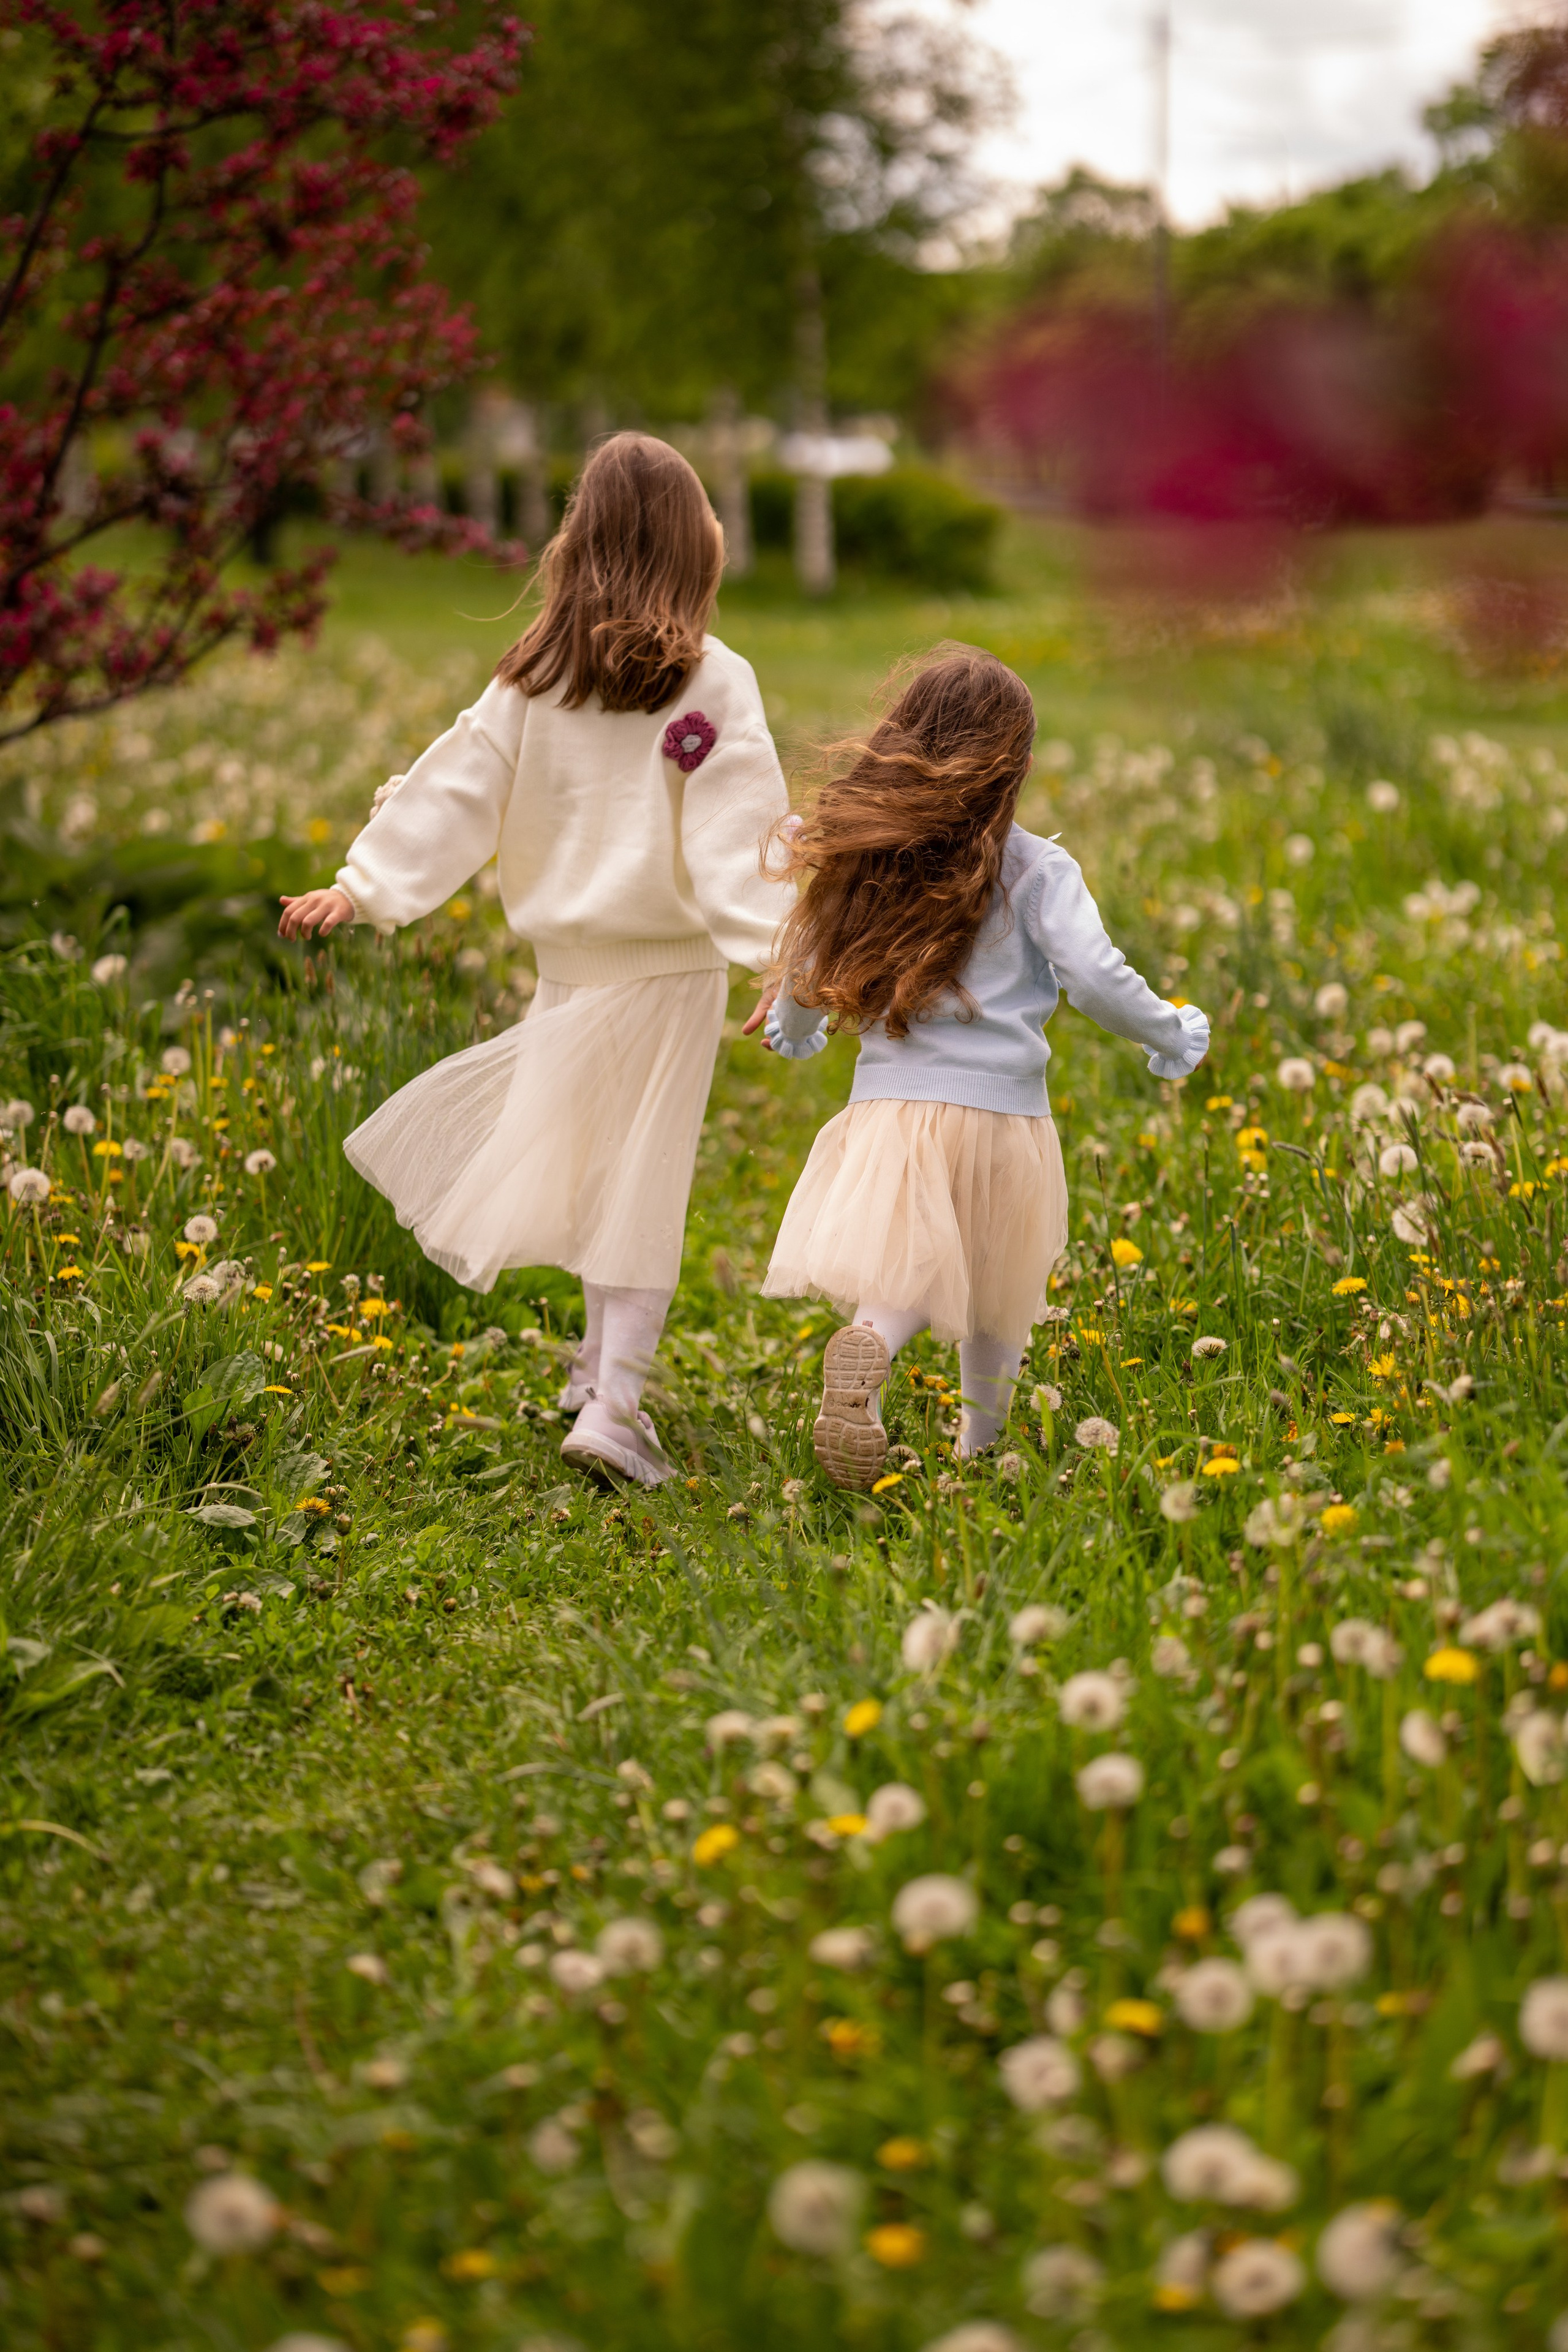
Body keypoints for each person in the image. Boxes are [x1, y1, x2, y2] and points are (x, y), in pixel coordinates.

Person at [277, 433, 793, 1489]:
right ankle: (613, 1407)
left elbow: (455, 786)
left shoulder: (534, 676)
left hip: (573, 965)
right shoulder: (712, 678)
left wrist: (365, 883)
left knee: (605, 1168)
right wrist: (775, 951)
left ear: (576, 545)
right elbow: (741, 827)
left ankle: (597, 1370)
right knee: (642, 1182)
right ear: (698, 548)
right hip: (668, 968)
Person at [758, 645, 1210, 1490]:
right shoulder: (1037, 869)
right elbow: (1095, 977)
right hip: (1004, 1115)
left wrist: (795, 1031)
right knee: (999, 1283)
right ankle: (981, 1444)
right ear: (1016, 765)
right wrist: (1168, 1031)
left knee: (908, 1264)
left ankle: (873, 1345)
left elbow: (806, 962)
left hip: (891, 1110)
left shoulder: (871, 859)